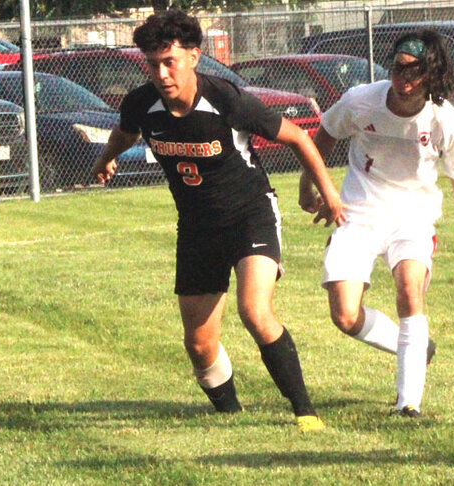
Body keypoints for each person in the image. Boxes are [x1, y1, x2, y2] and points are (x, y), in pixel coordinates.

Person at [90, 9, 346, 432]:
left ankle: (305, 411)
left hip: (250, 215)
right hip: (196, 227)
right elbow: (126, 132)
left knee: (254, 311)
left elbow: (298, 136)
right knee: (199, 343)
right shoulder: (140, 103)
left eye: (169, 61)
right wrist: (106, 159)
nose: (161, 72)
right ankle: (230, 417)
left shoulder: (226, 99)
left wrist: (329, 194)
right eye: (152, 63)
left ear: (193, 56)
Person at [299, 30, 454, 418]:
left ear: (432, 74)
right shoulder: (361, 101)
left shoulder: (447, 122)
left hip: (413, 218)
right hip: (358, 212)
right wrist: (310, 188)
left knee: (409, 290)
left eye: (415, 71)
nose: (403, 78)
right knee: (344, 315)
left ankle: (408, 403)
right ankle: (417, 346)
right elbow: (322, 137)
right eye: (398, 67)